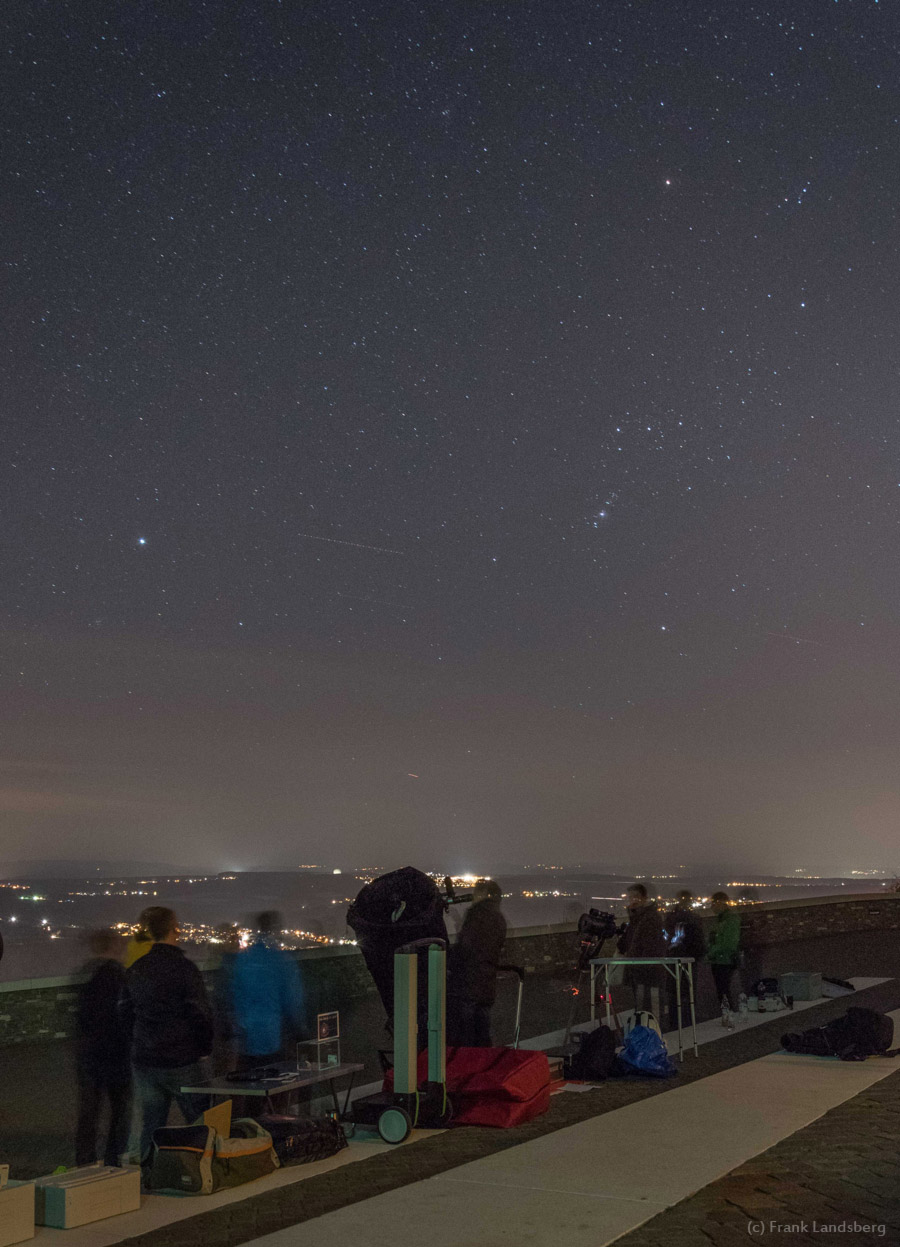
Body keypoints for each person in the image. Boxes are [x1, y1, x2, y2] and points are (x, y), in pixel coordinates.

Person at [119, 906, 213, 1167]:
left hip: (146, 1059)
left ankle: (149, 1173)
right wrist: (204, 1047)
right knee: (199, 1119)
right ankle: (202, 1168)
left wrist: (137, 1041)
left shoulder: (137, 969)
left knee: (152, 1121)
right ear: (174, 929)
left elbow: (124, 1011)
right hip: (182, 1058)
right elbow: (200, 1013)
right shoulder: (184, 969)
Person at [74, 930, 131, 1168]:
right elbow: (125, 1015)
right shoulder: (118, 976)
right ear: (114, 946)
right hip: (115, 1055)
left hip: (89, 1054)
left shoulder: (85, 974)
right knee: (120, 1111)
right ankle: (113, 1157)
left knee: (89, 1112)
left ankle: (84, 1160)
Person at [228, 911, 304, 1071]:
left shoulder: (243, 960)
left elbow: (235, 996)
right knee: (277, 1082)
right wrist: (300, 1032)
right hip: (273, 1036)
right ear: (275, 930)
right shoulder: (281, 961)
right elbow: (292, 1002)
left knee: (249, 1085)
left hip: (247, 1037)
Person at [448, 880, 507, 1047]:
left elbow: (466, 948)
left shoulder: (477, 915)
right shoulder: (498, 918)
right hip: (486, 986)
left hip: (467, 985)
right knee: (482, 1033)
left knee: (465, 1037)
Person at [617, 883, 666, 1019]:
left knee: (651, 1006)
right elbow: (627, 943)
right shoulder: (636, 919)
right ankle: (644, 1032)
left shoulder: (649, 918)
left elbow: (652, 947)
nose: (633, 900)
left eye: (636, 897)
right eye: (630, 897)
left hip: (649, 971)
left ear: (644, 898)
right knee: (641, 1006)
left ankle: (654, 1034)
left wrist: (643, 965)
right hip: (639, 970)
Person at [663, 891, 705, 1028]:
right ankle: (687, 1021)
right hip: (687, 959)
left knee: (675, 993)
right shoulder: (693, 919)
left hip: (674, 957)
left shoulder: (671, 918)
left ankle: (676, 1023)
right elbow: (698, 942)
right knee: (687, 993)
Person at [707, 891, 742, 1010]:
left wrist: (712, 952)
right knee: (722, 990)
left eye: (714, 903)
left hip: (725, 960)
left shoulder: (730, 920)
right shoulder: (721, 919)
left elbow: (729, 943)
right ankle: (727, 1015)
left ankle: (729, 1015)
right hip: (718, 960)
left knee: (724, 990)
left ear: (721, 903)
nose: (712, 907)